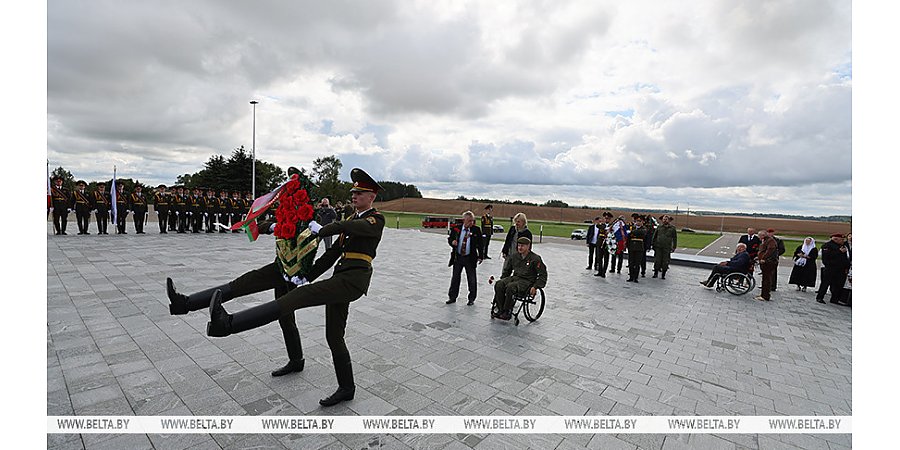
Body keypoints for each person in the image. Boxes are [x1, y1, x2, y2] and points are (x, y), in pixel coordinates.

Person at [204, 168, 386, 407]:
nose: (354, 196)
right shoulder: (352, 220)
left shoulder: (374, 219)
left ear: (371, 196)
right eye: (353, 192)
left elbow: (357, 229)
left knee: (299, 297)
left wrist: (324, 229)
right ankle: (347, 388)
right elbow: (331, 255)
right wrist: (306, 275)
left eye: (360, 193)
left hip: (353, 280)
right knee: (334, 336)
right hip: (341, 278)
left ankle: (228, 324)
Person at [167, 169, 320, 381]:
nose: (288, 193)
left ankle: (185, 304)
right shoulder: (287, 210)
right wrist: (275, 226)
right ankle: (297, 360)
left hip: (290, 272)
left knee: (247, 287)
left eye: (293, 189)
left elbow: (316, 237)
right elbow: (266, 223)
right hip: (280, 266)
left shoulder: (310, 214)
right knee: (283, 316)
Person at [491, 237, 548, 321]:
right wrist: (503, 280)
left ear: (528, 246)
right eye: (519, 245)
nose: (520, 248)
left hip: (527, 281)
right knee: (499, 284)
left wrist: (535, 287)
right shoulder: (514, 256)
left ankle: (507, 311)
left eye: (522, 246)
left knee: (511, 287)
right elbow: (507, 270)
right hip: (516, 277)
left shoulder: (535, 258)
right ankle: (500, 308)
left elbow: (543, 274)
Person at [446, 211, 484, 305]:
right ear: (464, 220)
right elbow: (450, 239)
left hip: (470, 258)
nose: (471, 223)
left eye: (472, 221)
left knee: (471, 279)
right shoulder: (456, 229)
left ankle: (471, 299)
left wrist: (481, 256)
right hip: (458, 257)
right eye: (469, 221)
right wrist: (452, 242)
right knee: (455, 278)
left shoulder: (476, 230)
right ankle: (452, 297)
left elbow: (480, 244)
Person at [816, 233, 850, 305]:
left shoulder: (842, 246)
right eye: (841, 239)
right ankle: (820, 297)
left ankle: (835, 299)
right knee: (825, 283)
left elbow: (845, 258)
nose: (843, 241)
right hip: (830, 268)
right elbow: (826, 257)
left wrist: (846, 267)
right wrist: (838, 252)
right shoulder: (827, 246)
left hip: (840, 269)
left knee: (838, 285)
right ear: (836, 239)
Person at [755, 229, 778, 301]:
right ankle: (763, 294)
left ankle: (765, 296)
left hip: (768, 263)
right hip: (765, 262)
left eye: (759, 236)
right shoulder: (765, 240)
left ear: (763, 235)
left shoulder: (770, 241)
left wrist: (763, 258)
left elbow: (770, 251)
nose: (758, 237)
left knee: (767, 279)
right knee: (764, 279)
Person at [652, 215, 677, 279]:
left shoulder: (672, 228)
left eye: (666, 219)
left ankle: (663, 274)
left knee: (665, 261)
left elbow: (674, 238)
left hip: (667, 247)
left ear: (669, 220)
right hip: (658, 246)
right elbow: (655, 236)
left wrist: (674, 247)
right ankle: (655, 273)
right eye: (664, 219)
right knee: (657, 260)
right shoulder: (659, 227)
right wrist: (653, 244)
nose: (665, 220)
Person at [625, 215, 648, 282]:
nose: (638, 222)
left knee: (637, 263)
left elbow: (641, 233)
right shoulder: (632, 227)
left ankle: (636, 277)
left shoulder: (644, 228)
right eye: (637, 221)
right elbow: (628, 238)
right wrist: (627, 245)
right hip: (631, 247)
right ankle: (631, 277)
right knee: (631, 263)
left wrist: (631, 232)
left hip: (639, 247)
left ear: (642, 222)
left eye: (639, 221)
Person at [593, 212, 613, 277]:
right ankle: (600, 271)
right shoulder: (603, 225)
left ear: (610, 219)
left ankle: (604, 272)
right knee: (599, 258)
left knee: (606, 258)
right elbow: (598, 226)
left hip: (607, 243)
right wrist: (605, 228)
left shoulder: (612, 226)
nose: (606, 219)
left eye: (608, 218)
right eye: (605, 218)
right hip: (600, 242)